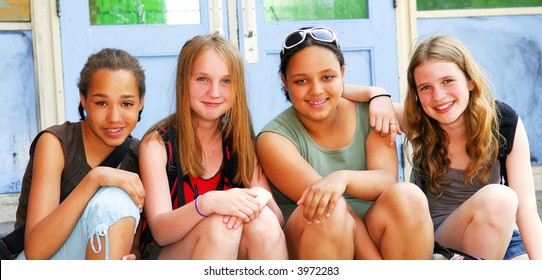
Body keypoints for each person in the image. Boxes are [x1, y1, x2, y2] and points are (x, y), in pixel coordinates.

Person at [345, 35, 542, 260]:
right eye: (426, 87)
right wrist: (376, 94)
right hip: (437, 236)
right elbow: (327, 89)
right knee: (501, 198)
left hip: (495, 231)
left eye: (448, 81)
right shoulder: (418, 120)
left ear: (470, 81)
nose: (438, 96)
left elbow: (526, 209)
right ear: (417, 95)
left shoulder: (503, 123)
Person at [255, 26, 434, 260]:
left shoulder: (371, 113)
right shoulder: (273, 139)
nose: (316, 90)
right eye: (301, 81)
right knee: (330, 210)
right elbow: (330, 204)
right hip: (312, 243)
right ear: (285, 82)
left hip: (373, 230)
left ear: (342, 73)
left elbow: (385, 179)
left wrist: (343, 177)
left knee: (408, 196)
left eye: (327, 77)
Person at [138, 34, 287, 260]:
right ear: (183, 81)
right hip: (168, 255)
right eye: (202, 79)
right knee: (221, 227)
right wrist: (208, 203)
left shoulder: (238, 140)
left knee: (263, 221)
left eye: (226, 81)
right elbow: (160, 231)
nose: (215, 92)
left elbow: (277, 220)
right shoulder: (157, 144)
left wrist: (260, 196)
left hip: (226, 248)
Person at [13, 48, 146, 260]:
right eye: (101, 103)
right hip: (34, 263)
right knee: (115, 200)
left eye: (126, 103)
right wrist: (95, 178)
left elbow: (135, 243)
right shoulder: (55, 143)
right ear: (83, 100)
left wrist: (134, 256)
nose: (114, 117)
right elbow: (35, 252)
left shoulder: (140, 154)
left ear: (141, 102)